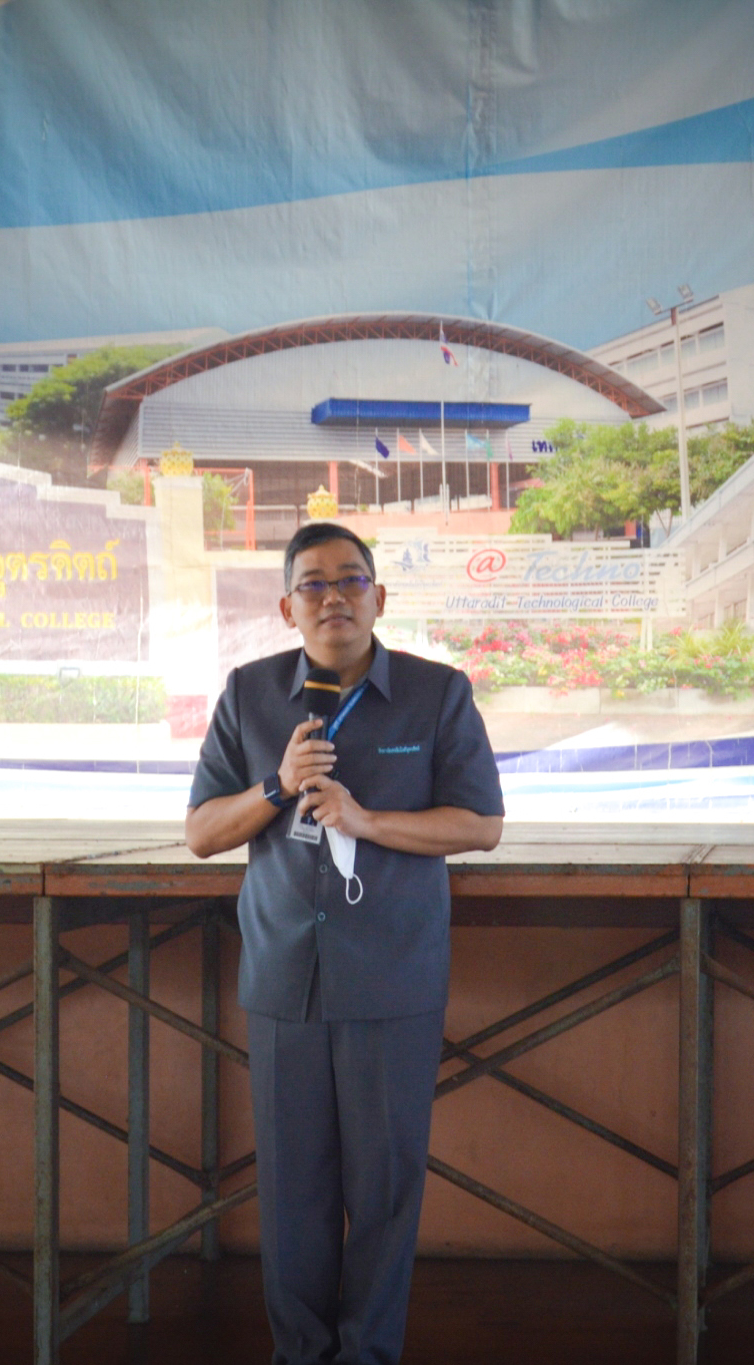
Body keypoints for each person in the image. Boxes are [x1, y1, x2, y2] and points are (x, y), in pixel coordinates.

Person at [185, 522, 504, 1365]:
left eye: (352, 580)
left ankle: (367, 1354)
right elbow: (201, 832)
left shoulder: (439, 694)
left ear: (380, 598)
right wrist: (275, 785)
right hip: (286, 978)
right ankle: (301, 1354)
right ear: (289, 606)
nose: (335, 597)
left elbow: (481, 823)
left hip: (392, 978)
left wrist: (366, 820)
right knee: (294, 1194)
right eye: (315, 584)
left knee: (385, 1191)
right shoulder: (250, 695)